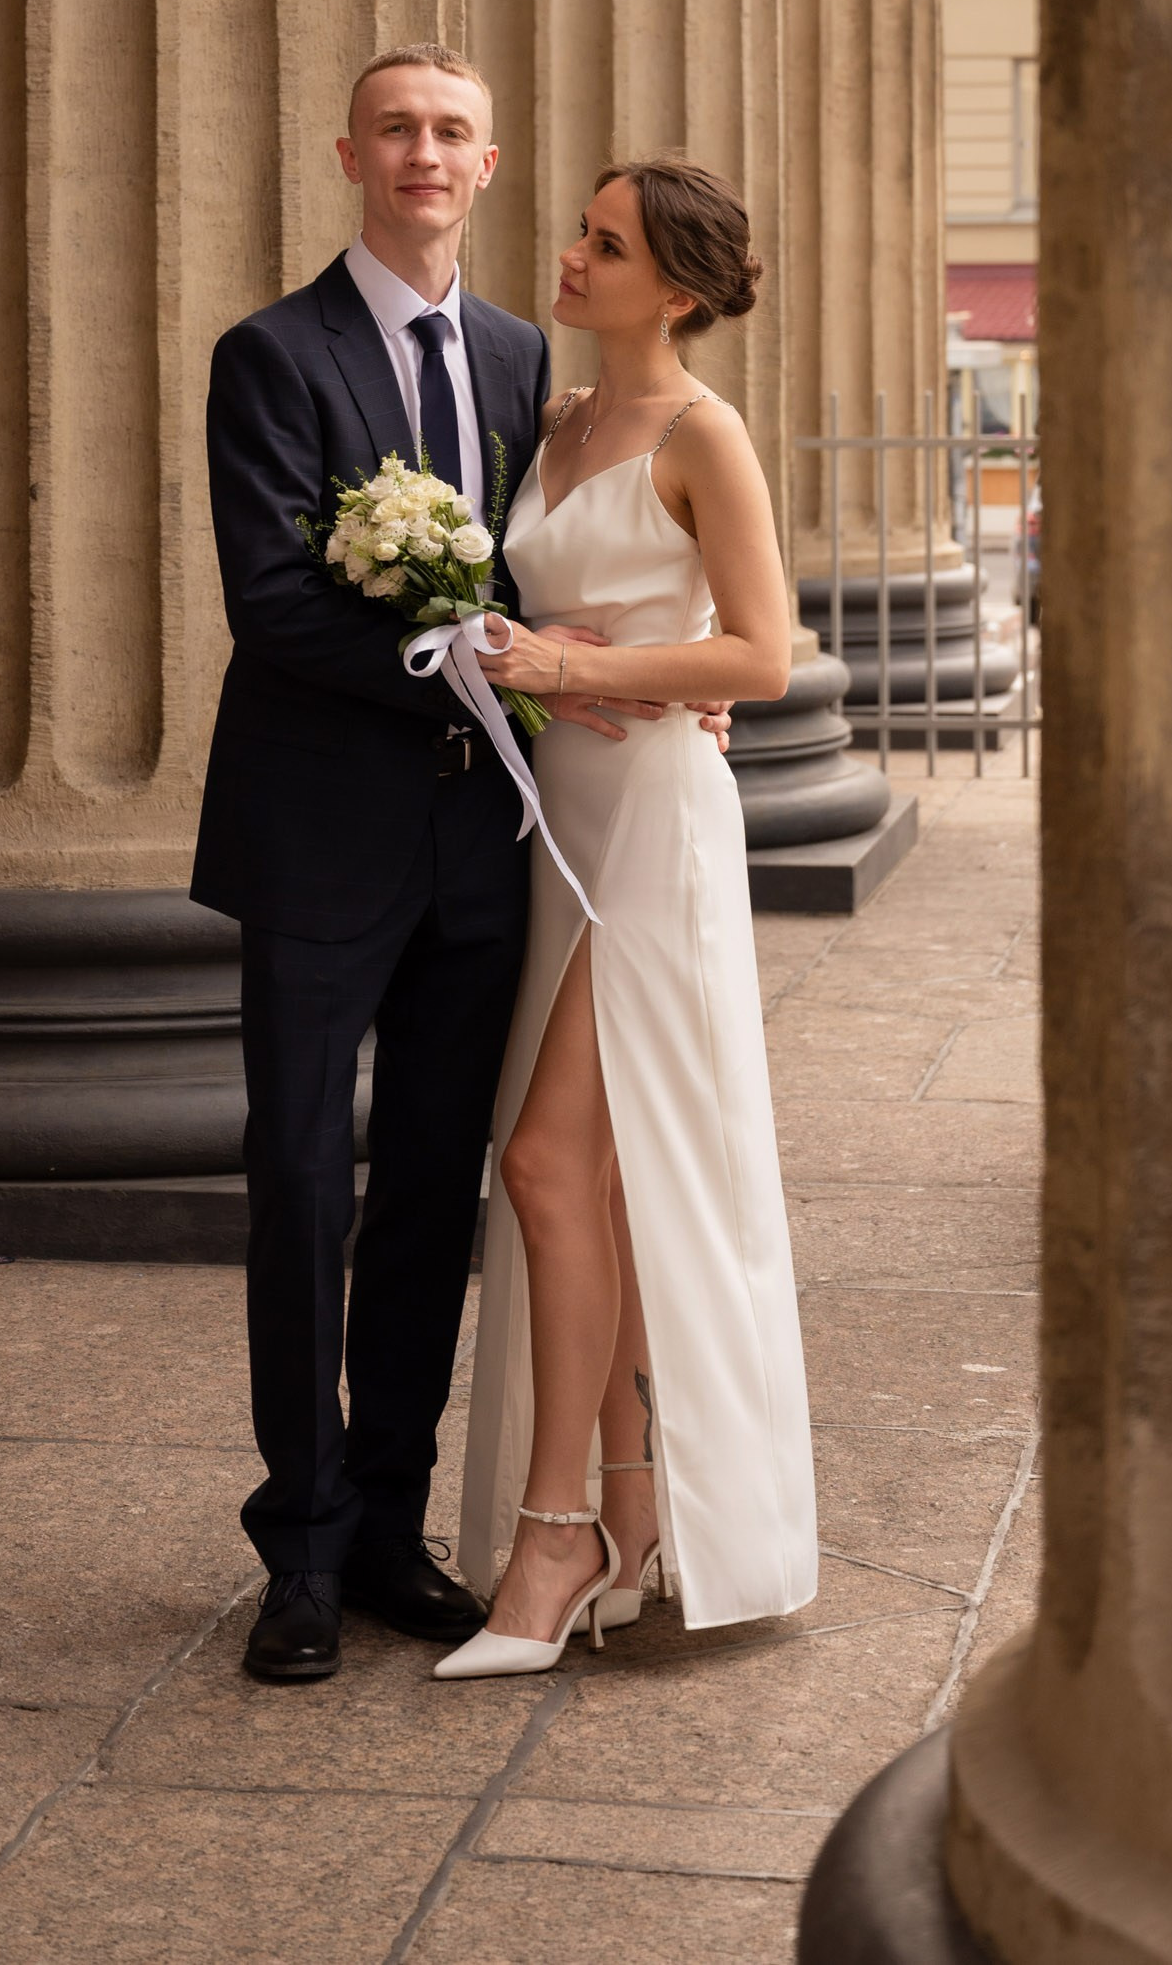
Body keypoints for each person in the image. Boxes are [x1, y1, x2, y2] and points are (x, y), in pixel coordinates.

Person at [192, 50, 729, 1684]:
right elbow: (279, 607)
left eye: (453, 133)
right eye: (398, 129)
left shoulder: (518, 362)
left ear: (486, 165)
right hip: (313, 836)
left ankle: (385, 1526)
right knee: (298, 1178)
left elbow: (601, 548)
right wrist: (492, 654)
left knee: (434, 1189)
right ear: (352, 151)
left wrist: (666, 670)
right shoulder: (269, 354)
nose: (424, 153)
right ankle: (295, 1540)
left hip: (487, 849)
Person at [438, 158, 819, 1676]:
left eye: (606, 246)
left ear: (676, 290)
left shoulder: (703, 435)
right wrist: (514, 646)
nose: (572, 258)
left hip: (656, 820)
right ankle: (639, 1503)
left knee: (541, 1160)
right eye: (580, 233)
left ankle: (558, 1537)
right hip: (561, 827)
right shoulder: (551, 421)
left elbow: (764, 658)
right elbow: (521, 614)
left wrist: (577, 674)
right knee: (585, 1182)